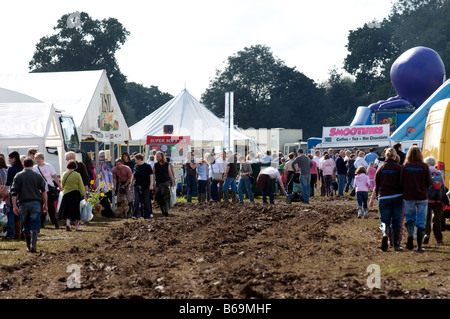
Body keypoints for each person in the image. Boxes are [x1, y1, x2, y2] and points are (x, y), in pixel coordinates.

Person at [369, 148, 404, 252]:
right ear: (394, 156)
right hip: (397, 197)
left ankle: (384, 234)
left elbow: (377, 184)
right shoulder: (399, 168)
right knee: (397, 221)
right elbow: (402, 183)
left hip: (383, 197)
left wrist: (375, 197)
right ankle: (396, 244)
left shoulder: (380, 168)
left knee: (384, 220)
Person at [10, 157, 47, 252]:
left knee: (25, 225)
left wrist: (14, 206)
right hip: (35, 202)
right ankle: (33, 243)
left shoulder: (18, 176)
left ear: (23, 165)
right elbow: (44, 191)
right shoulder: (38, 176)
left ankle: (28, 246)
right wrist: (45, 204)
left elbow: (13, 192)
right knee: (35, 224)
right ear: (32, 165)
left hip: (23, 203)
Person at [402, 146, 432, 252]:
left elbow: (401, 181)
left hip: (408, 196)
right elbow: (429, 182)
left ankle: (410, 235)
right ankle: (419, 246)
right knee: (421, 221)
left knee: (410, 218)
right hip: (422, 196)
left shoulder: (405, 166)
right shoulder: (424, 166)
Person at [33, 153, 62, 229]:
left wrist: (59, 185)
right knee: (39, 206)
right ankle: (41, 223)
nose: (38, 160)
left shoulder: (48, 166)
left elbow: (54, 176)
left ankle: (55, 222)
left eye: (39, 158)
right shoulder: (34, 168)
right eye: (36, 159)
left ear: (43, 159)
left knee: (50, 207)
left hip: (48, 189)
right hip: (38, 190)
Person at [423, 156, 448, 245]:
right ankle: (439, 239)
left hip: (427, 200)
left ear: (428, 163)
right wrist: (445, 201)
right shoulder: (439, 173)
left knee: (427, 219)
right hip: (438, 200)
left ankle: (426, 235)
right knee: (437, 219)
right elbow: (444, 187)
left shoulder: (425, 172)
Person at [59, 160, 87, 231]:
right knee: (76, 210)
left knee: (68, 209)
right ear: (75, 167)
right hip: (75, 193)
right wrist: (84, 195)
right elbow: (81, 185)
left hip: (66, 194)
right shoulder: (77, 174)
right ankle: (77, 226)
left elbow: (62, 184)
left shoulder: (64, 174)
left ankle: (68, 223)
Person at [4, 151, 23, 240]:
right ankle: (21, 232)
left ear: (14, 159)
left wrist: (3, 192)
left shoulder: (11, 169)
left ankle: (12, 233)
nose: (8, 161)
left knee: (12, 211)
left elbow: (8, 183)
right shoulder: (21, 167)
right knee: (20, 212)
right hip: (22, 192)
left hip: (14, 191)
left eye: (9, 159)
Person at [130, 153, 154, 219]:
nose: (135, 161)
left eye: (136, 160)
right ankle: (134, 215)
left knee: (146, 201)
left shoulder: (147, 166)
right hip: (137, 185)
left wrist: (151, 184)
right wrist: (131, 185)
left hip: (145, 185)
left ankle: (147, 216)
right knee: (136, 200)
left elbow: (151, 175)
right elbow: (133, 176)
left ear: (140, 159)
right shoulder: (136, 166)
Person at [153, 151, 175, 217]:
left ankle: (166, 210)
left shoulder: (167, 164)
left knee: (165, 196)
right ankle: (163, 210)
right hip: (158, 183)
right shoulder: (155, 165)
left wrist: (173, 182)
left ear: (162, 157)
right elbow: (152, 174)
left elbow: (170, 174)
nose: (158, 157)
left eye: (159, 156)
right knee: (160, 197)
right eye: (157, 156)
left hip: (165, 182)